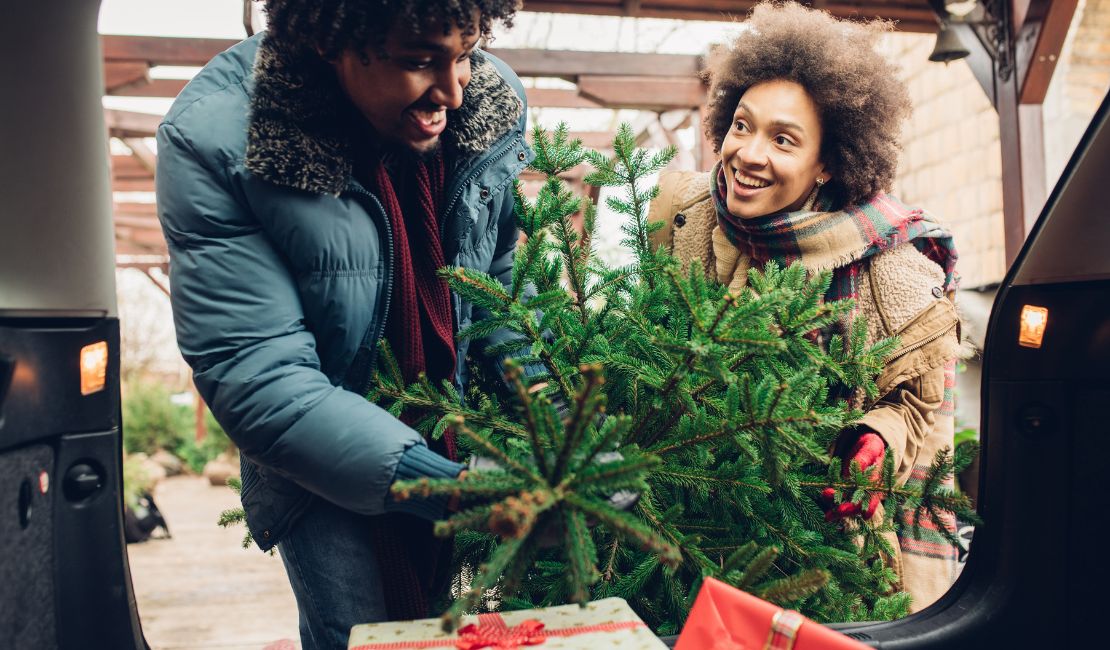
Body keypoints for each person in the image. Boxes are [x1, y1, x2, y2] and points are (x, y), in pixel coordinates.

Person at [155, 1, 534, 647]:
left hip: (456, 427)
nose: (454, 88)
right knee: (360, 633)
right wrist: (457, 493)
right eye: (418, 61)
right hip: (320, 464)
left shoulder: (488, 101)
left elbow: (500, 286)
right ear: (331, 42)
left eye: (465, 51)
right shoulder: (217, 137)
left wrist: (554, 409)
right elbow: (258, 375)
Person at [647, 1, 961, 612]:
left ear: (826, 163)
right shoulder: (680, 222)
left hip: (822, 560)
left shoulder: (892, 269)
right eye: (742, 125)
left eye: (783, 139)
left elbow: (920, 406)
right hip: (684, 539)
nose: (748, 154)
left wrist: (876, 439)